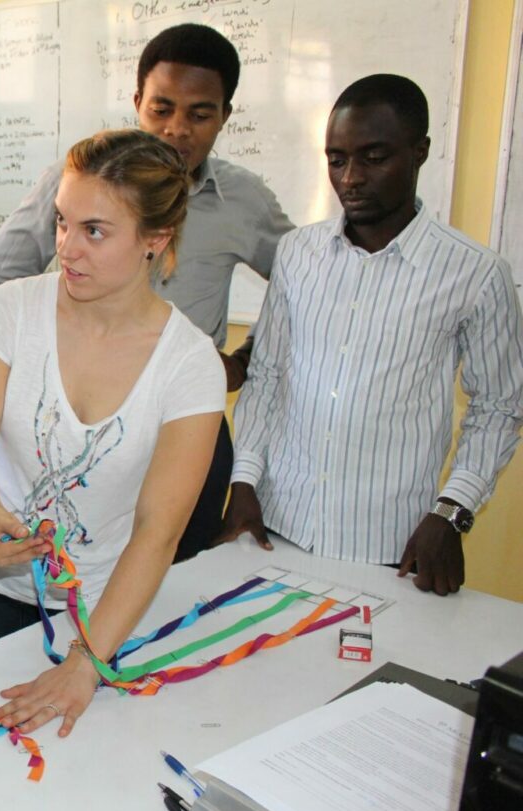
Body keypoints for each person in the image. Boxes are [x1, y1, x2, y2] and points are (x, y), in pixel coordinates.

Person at [0, 130, 226, 736]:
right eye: (63, 222)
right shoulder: (9, 311)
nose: (67, 247)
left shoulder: (190, 364)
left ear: (156, 240)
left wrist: (86, 663)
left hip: (98, 606)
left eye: (95, 230)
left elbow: (158, 531)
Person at [0, 24, 294, 562]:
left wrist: (246, 357)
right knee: (66, 585)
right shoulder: (77, 180)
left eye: (199, 113)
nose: (176, 130)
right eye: (161, 108)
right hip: (82, 433)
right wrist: (61, 359)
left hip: (185, 428)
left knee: (172, 586)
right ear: (137, 101)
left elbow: (306, 284)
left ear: (225, 117)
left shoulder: (244, 200)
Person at [220, 74, 523, 596]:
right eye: (336, 160)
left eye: (374, 157)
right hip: (273, 527)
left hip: (391, 548)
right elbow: (268, 375)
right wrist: (244, 478)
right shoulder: (298, 254)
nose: (351, 178)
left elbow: (499, 406)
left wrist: (451, 514)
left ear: (419, 152)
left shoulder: (474, 272)